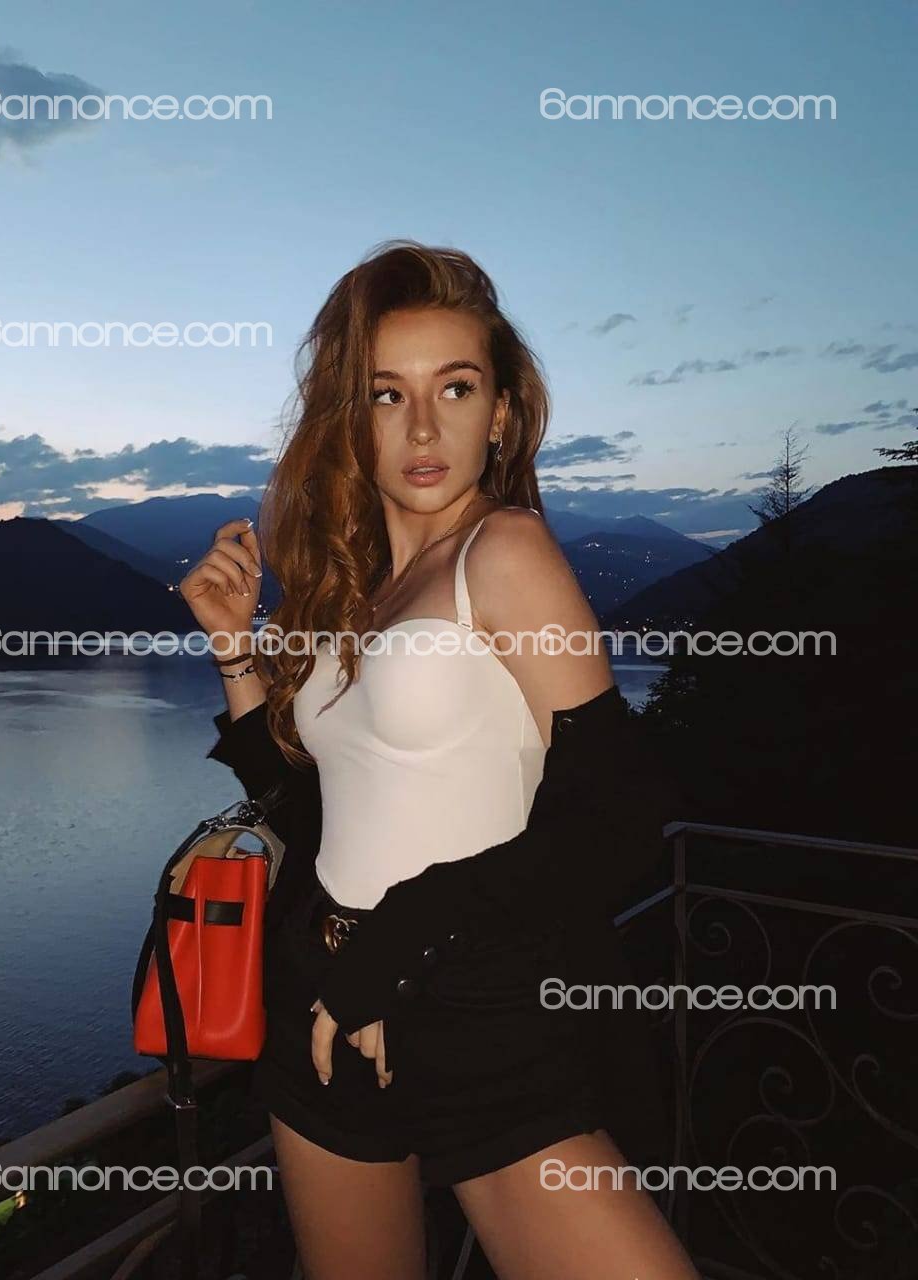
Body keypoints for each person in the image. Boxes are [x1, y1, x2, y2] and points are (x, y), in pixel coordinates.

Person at [180, 241, 699, 1280]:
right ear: (351, 419)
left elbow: (615, 813)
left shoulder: (503, 553)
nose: (421, 427)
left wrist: (401, 941)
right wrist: (236, 647)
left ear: (500, 413)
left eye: (454, 388)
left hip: (478, 1014)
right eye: (387, 394)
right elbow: (311, 812)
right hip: (325, 1006)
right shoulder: (363, 591)